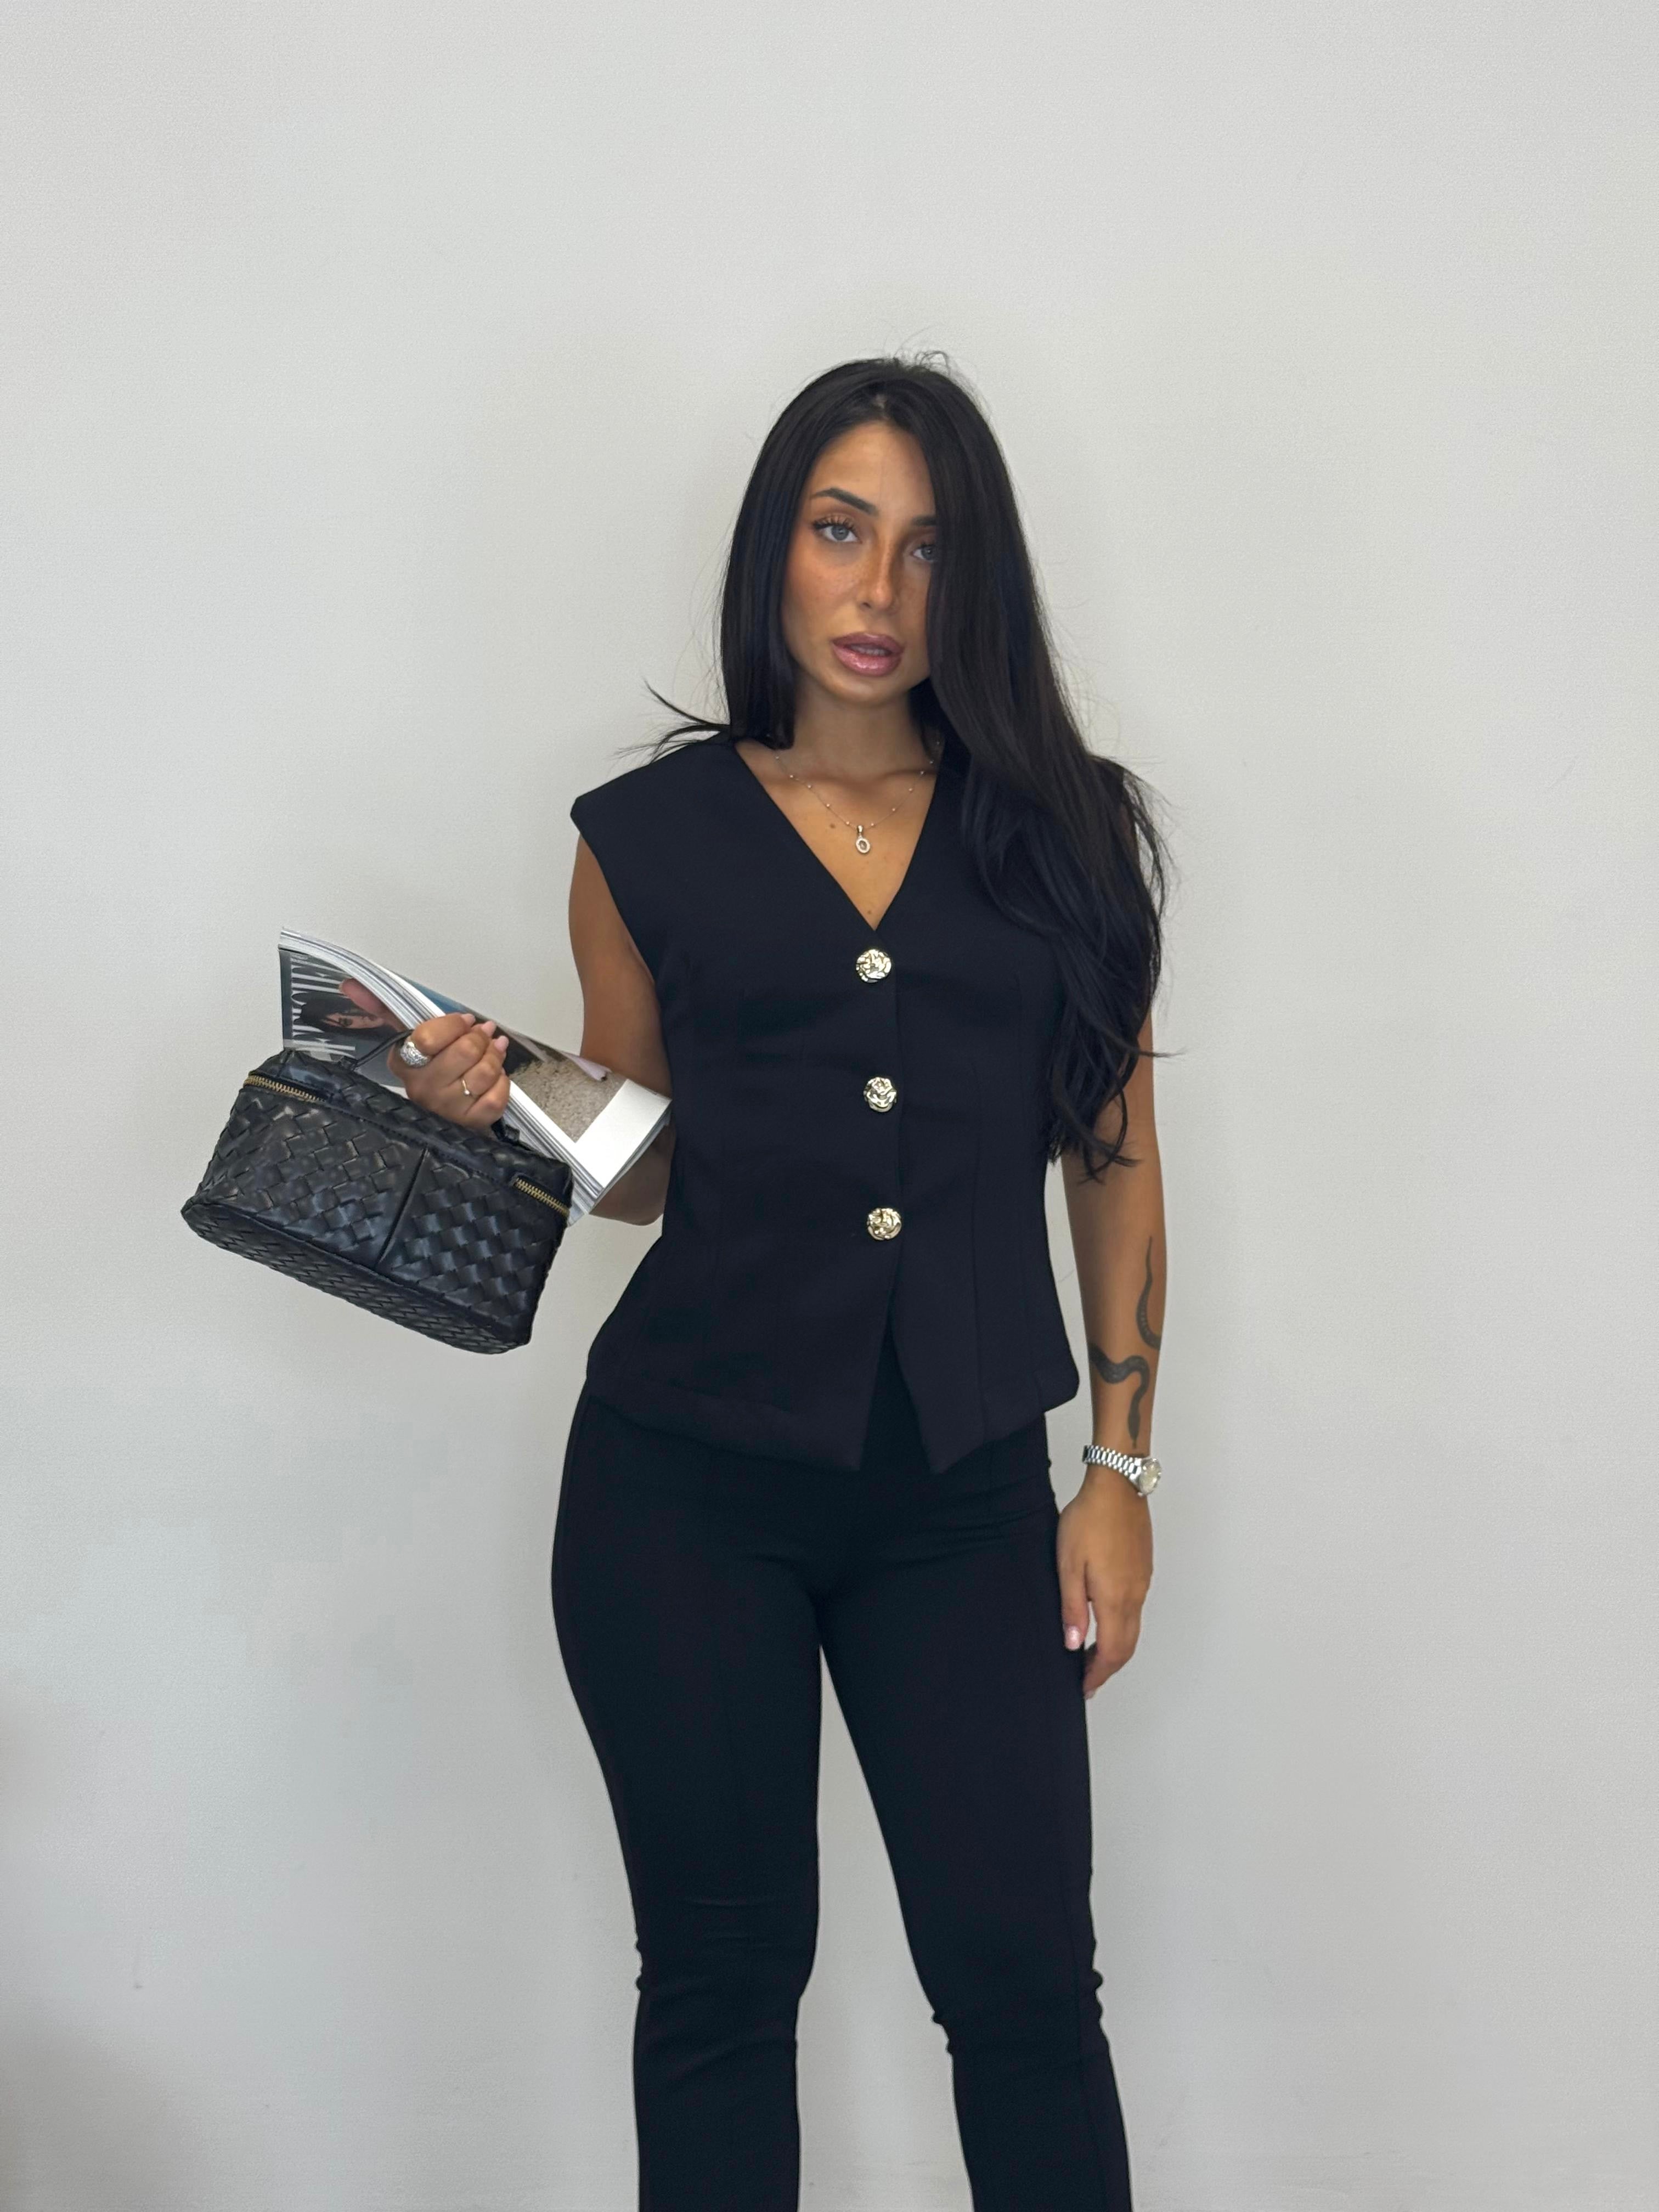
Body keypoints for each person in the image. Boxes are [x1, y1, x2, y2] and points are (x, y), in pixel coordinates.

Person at [394, 354, 1170, 2212]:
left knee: (1024, 1990)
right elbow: (654, 1177)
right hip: (683, 1492)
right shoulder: (642, 842)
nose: (879, 589)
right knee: (722, 1994)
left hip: (962, 1495)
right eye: (841, 531)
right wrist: (514, 1101)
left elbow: (1117, 1159)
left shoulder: (1066, 836)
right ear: (777, 549)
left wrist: (1120, 1467)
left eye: (927, 547)